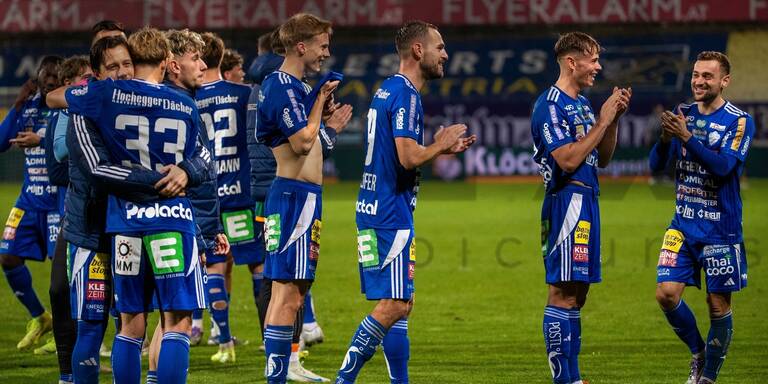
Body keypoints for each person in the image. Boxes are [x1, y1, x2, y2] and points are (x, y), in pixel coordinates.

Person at [65, 27, 209, 384]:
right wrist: (179, 176)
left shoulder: (108, 98)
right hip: (171, 218)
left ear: (135, 60)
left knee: (130, 323)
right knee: (177, 319)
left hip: (124, 221)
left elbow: (63, 97)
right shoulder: (185, 104)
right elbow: (206, 157)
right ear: (166, 62)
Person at [334, 21, 475, 384]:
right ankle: (344, 378)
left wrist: (441, 147)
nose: (445, 54)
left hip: (372, 207)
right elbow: (408, 157)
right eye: (440, 47)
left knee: (401, 305)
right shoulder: (408, 94)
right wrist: (440, 145)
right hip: (388, 213)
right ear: (418, 50)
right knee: (395, 305)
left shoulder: (387, 89)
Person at [256, 13, 352, 384]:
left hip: (304, 197)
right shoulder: (280, 84)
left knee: (294, 291)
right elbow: (301, 142)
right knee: (287, 294)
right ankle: (278, 375)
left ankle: (280, 371)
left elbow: (310, 148)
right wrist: (319, 104)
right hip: (293, 199)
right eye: (322, 45)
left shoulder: (294, 87)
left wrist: (325, 120)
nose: (326, 53)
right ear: (302, 45)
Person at [531, 32, 630, 384]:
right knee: (562, 291)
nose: (598, 67)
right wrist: (602, 121)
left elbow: (601, 158)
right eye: (593, 59)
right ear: (572, 62)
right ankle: (565, 379)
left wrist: (612, 119)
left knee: (579, 292)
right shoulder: (550, 104)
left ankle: (573, 377)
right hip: (565, 202)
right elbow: (568, 160)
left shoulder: (583, 105)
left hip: (588, 200)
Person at [650, 51, 754, 384]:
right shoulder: (684, 113)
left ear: (724, 81)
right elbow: (655, 166)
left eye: (707, 76)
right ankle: (699, 353)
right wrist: (666, 138)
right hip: (682, 223)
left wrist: (686, 137)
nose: (699, 81)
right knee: (666, 293)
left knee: (717, 304)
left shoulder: (739, 121)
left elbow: (724, 168)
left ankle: (707, 378)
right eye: (696, 74)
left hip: (720, 230)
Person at [195, 31, 252, 364]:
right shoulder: (245, 94)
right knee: (258, 265)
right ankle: (277, 342)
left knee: (215, 264)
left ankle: (223, 339)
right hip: (241, 192)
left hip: (206, 194)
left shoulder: (187, 98)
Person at [0, 55, 63, 352]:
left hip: (57, 203)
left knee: (61, 274)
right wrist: (17, 105)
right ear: (38, 77)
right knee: (8, 257)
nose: (51, 81)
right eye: (46, 76)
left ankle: (66, 331)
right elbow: (1, 143)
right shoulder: (28, 107)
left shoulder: (66, 106)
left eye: (56, 77)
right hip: (28, 201)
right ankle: (40, 318)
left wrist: (41, 141)